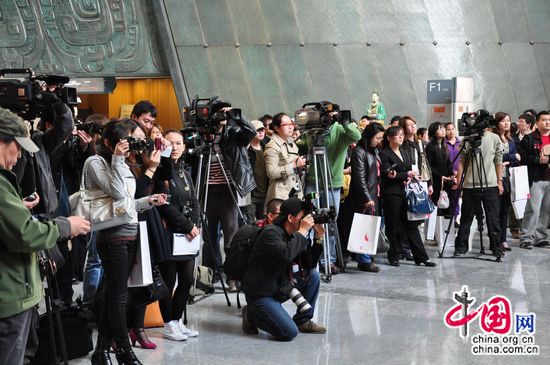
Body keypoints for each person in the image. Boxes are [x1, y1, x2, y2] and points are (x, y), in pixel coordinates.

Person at [0, 108, 90, 365]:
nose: (19, 156)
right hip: (9, 298)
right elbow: (25, 235)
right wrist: (65, 226)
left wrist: (16, 209)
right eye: (17, 147)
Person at [87, 120, 167, 365]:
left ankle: (101, 352)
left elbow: (128, 203)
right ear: (110, 143)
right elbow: (118, 193)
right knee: (119, 297)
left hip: (130, 232)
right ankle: (124, 352)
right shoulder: (96, 162)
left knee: (115, 294)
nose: (131, 145)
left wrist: (148, 201)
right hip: (112, 237)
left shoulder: (125, 163)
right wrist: (117, 160)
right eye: (127, 139)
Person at [242, 198, 326, 341]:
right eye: (302, 216)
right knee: (289, 332)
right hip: (261, 293)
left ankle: (303, 321)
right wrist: (303, 231)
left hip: (280, 286)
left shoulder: (294, 234)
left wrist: (318, 238)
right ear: (290, 218)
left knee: (312, 276)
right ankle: (251, 315)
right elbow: (286, 254)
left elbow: (308, 264)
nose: (306, 220)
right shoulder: (270, 233)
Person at [300, 109, 362, 273]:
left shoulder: (339, 130)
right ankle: (310, 258)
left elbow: (356, 136)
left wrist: (343, 121)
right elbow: (302, 144)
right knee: (310, 219)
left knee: (330, 221)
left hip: (332, 184)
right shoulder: (313, 131)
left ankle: (329, 260)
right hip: (313, 183)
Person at [154, 129, 201, 341]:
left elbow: (194, 200)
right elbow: (165, 204)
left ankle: (178, 320)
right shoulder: (160, 172)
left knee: (186, 280)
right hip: (171, 232)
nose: (175, 147)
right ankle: (168, 323)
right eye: (170, 143)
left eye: (179, 143)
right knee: (169, 281)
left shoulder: (184, 171)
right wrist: (186, 225)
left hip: (188, 234)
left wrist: (196, 225)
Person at [379, 126, 436, 267]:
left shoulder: (405, 152)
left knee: (411, 225)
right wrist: (406, 175)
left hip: (406, 191)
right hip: (391, 193)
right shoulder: (384, 153)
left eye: (402, 134)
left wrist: (413, 177)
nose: (400, 137)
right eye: (397, 135)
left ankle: (421, 257)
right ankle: (394, 254)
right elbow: (388, 174)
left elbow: (408, 171)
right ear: (389, 138)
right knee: (393, 225)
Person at [453, 118, 504, 258]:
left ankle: (496, 246)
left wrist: (499, 181)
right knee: (466, 218)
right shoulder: (467, 139)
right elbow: (462, 162)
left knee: (492, 218)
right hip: (469, 184)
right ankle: (461, 247)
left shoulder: (494, 138)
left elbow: (498, 161)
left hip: (490, 184)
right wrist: (459, 182)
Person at [348, 123, 385, 272]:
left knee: (373, 226)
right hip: (366, 195)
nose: (379, 141)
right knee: (364, 226)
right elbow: (359, 177)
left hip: (375, 192)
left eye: (381, 138)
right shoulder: (359, 152)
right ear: (369, 136)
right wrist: (366, 197)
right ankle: (364, 260)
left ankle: (367, 257)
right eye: (377, 138)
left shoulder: (374, 151)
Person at [518, 111, 550, 249]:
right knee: (533, 209)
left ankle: (541, 237)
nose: (547, 122)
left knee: (546, 210)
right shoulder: (529, 138)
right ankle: (526, 237)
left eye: (549, 120)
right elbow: (521, 157)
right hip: (536, 178)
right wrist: (538, 159)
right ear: (537, 123)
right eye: (544, 120)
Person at [492, 113, 520, 251]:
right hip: (496, 178)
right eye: (503, 121)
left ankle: (503, 239)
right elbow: (494, 157)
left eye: (508, 120)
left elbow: (517, 159)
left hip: (508, 178)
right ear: (497, 123)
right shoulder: (494, 138)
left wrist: (509, 160)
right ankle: (495, 240)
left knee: (505, 211)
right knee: (495, 211)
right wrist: (511, 157)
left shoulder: (510, 140)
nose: (506, 123)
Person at [264, 113, 306, 204]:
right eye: (286, 125)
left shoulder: (291, 142)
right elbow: (271, 173)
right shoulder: (272, 146)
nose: (291, 127)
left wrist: (300, 165)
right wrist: (294, 165)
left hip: (295, 190)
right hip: (280, 194)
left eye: (291, 124)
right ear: (276, 128)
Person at [425, 122, 456, 215]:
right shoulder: (430, 146)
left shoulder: (444, 145)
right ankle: (436, 227)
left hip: (446, 179)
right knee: (437, 204)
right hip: (436, 179)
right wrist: (441, 175)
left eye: (443, 129)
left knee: (447, 204)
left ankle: (446, 226)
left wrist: (452, 175)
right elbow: (428, 166)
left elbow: (448, 162)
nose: (443, 131)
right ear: (434, 132)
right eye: (440, 129)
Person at [248, 120, 268, 219]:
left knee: (264, 225)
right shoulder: (246, 151)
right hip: (251, 196)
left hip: (265, 194)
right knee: (250, 226)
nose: (261, 132)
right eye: (258, 130)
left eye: (262, 130)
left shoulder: (267, 148)